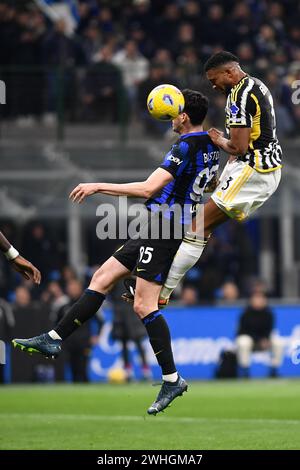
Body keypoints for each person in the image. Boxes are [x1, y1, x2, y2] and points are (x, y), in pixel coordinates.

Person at [13, 89, 220, 415]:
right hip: (162, 226)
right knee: (103, 275)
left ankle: (172, 378)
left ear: (182, 114)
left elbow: (147, 188)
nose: (168, 118)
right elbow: (207, 174)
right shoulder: (210, 143)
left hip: (166, 231)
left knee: (143, 304)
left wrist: (98, 186)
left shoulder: (186, 145)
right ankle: (54, 338)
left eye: (173, 112)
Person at [154, 50, 282, 306]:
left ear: (229, 72)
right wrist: (223, 176)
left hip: (255, 170)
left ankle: (163, 291)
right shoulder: (257, 85)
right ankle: (164, 287)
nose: (213, 85)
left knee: (197, 226)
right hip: (259, 167)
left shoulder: (238, 97)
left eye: (215, 79)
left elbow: (239, 148)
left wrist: (218, 139)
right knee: (202, 227)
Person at [236, 292, 284, 378]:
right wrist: (259, 340)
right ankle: (245, 370)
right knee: (243, 341)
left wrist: (266, 339)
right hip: (251, 341)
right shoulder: (245, 314)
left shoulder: (268, 314)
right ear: (251, 300)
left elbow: (269, 330)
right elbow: (243, 331)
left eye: (261, 298)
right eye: (256, 298)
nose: (259, 301)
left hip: (264, 341)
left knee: (278, 342)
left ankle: (274, 369)